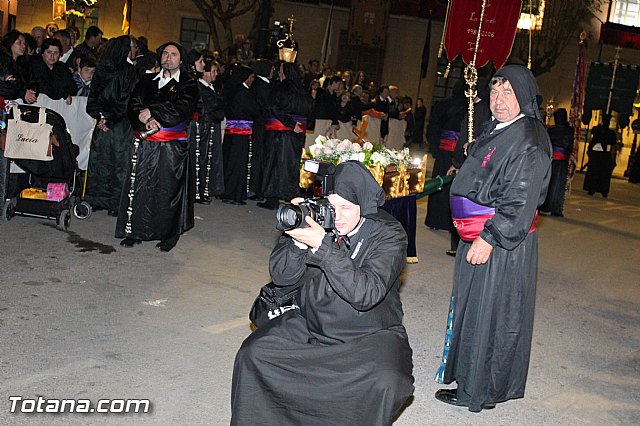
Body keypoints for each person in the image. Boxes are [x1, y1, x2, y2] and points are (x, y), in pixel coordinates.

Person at [232, 161, 414, 425]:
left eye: (346, 208)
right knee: (254, 354)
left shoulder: (388, 235)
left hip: (369, 333)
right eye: (332, 205)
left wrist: (322, 248)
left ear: (363, 206)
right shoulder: (318, 219)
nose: (337, 216)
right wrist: (296, 241)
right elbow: (282, 277)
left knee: (387, 382)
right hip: (313, 323)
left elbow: (366, 294)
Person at [434, 65, 551, 412]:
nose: (499, 101)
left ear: (525, 97)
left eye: (508, 93)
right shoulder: (499, 128)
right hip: (478, 234)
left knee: (491, 315)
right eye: (495, 92)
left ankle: (478, 389)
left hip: (499, 243)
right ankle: (469, 376)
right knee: (472, 310)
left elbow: (521, 199)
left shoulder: (529, 139)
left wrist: (489, 237)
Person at [116, 41, 198, 252]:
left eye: (173, 54)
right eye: (165, 54)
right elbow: (133, 104)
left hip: (171, 147)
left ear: (181, 59)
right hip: (144, 143)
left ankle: (168, 235)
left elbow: (181, 108)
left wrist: (151, 113)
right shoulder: (147, 80)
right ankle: (136, 231)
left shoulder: (188, 83)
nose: (168, 57)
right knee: (141, 188)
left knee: (168, 191)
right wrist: (143, 117)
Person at [84, 35, 138, 216]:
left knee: (101, 161)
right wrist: (109, 119)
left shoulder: (102, 69)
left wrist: (100, 117)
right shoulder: (129, 71)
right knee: (118, 163)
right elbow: (127, 100)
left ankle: (96, 199)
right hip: (119, 125)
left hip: (103, 124)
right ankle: (115, 203)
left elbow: (93, 98)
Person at [258, 61, 314, 210]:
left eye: (281, 70)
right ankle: (291, 195)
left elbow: (273, 106)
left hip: (280, 133)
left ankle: (272, 198)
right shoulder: (303, 90)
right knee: (291, 165)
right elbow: (310, 110)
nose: (279, 73)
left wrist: (290, 122)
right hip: (297, 134)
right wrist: (297, 124)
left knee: (275, 164)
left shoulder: (281, 88)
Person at [424, 81, 467, 256]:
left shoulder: (445, 105)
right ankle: (448, 223)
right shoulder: (468, 108)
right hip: (456, 153)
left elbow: (433, 127)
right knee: (450, 187)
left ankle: (436, 219)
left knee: (439, 185)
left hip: (444, 152)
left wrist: (434, 147)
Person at [220, 65, 260, 205]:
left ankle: (225, 192)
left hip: (231, 131)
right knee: (238, 163)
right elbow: (255, 110)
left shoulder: (231, 90)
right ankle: (234, 194)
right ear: (247, 77)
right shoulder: (244, 92)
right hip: (241, 132)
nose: (252, 80)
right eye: (252, 77)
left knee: (229, 161)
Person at [190, 57, 225, 203]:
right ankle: (199, 191)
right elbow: (211, 108)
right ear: (206, 72)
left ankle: (206, 189)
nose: (216, 74)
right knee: (201, 160)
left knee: (210, 160)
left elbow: (220, 107)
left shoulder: (212, 88)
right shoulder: (200, 87)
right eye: (214, 71)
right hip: (203, 129)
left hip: (211, 127)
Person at [248, 59, 274, 202]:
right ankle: (255, 188)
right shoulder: (260, 85)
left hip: (263, 125)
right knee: (259, 155)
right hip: (260, 125)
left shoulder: (264, 84)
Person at [540, 108, 574, 216]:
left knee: (551, 183)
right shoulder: (568, 130)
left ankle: (548, 206)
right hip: (559, 159)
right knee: (556, 184)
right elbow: (569, 146)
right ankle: (554, 208)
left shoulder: (552, 130)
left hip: (554, 159)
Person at [30, 38, 76, 104]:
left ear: (60, 55)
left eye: (56, 53)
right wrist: (64, 93)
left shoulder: (62, 67)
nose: (52, 56)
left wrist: (63, 92)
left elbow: (73, 88)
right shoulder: (34, 65)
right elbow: (43, 87)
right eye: (49, 52)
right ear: (42, 53)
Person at [583, 114, 616, 197]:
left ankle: (600, 189)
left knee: (601, 173)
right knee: (597, 172)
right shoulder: (600, 130)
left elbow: (612, 142)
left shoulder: (608, 132)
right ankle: (593, 189)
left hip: (602, 153)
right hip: (598, 153)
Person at [0, 30, 37, 103]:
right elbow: (3, 87)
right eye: (19, 43)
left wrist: (31, 91)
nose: (23, 46)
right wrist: (23, 93)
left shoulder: (25, 64)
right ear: (10, 43)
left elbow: (33, 81)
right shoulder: (2, 62)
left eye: (24, 43)